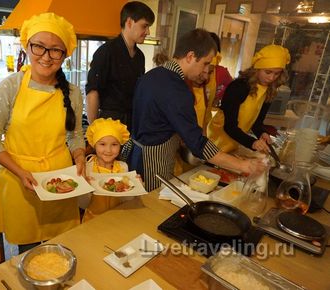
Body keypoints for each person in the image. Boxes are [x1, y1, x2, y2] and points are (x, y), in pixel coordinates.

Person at [0, 13, 86, 253]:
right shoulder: (9, 87)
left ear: (65, 54)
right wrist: (20, 172)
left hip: (60, 183)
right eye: (39, 47)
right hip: (20, 182)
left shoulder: (73, 92)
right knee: (29, 252)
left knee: (63, 248)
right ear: (27, 46)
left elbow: (75, 135)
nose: (46, 57)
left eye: (55, 50)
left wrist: (80, 158)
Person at [128, 28, 266, 191]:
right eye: (206, 63)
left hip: (135, 154)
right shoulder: (177, 89)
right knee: (153, 208)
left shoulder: (152, 75)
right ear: (190, 56)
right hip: (153, 161)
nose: (206, 72)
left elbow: (154, 118)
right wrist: (243, 165)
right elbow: (197, 144)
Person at [207, 44, 290, 154]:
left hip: (235, 142)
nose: (271, 78)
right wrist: (252, 143)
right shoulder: (239, 87)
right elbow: (229, 126)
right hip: (216, 142)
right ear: (257, 69)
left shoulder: (269, 90)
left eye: (277, 73)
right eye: (268, 72)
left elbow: (257, 123)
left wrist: (261, 133)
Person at [85, 1, 155, 130]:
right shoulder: (106, 52)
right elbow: (92, 93)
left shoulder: (140, 56)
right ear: (129, 22)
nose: (148, 32)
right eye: (144, 26)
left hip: (133, 123)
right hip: (109, 124)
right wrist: (94, 131)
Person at [81, 118, 130, 222]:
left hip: (117, 220)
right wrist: (84, 188)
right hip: (91, 221)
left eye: (114, 144)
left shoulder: (123, 167)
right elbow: (82, 204)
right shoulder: (87, 168)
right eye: (102, 144)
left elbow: (126, 200)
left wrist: (133, 187)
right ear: (94, 144)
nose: (108, 150)